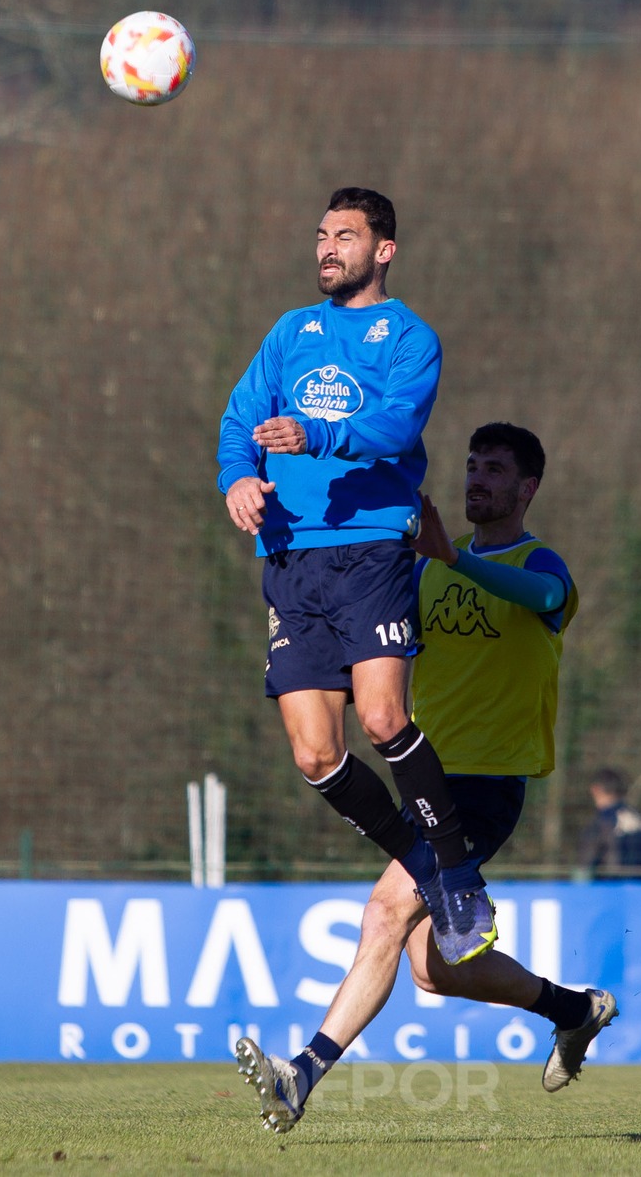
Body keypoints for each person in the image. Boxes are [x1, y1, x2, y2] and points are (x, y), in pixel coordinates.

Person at [236, 423, 615, 1134]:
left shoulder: (542, 565)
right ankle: (576, 1010)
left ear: (527, 487)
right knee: (434, 971)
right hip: (427, 781)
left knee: (382, 913)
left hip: (487, 786)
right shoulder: (423, 570)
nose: (478, 479)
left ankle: (301, 1073)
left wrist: (452, 558)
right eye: (472, 466)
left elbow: (542, 599)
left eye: (496, 469)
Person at [217, 188, 494, 966]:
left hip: (370, 548)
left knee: (381, 718)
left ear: (385, 249)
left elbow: (398, 424)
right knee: (314, 754)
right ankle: (427, 865)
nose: (327, 248)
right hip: (289, 558)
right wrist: (238, 477)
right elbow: (239, 420)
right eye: (321, 235)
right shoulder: (289, 332)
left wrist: (318, 431)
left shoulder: (409, 337)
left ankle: (461, 873)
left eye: (345, 235)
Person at [576, 768, 641, 876]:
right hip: (640, 887)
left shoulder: (602, 823)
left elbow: (585, 865)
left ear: (595, 789)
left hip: (609, 888)